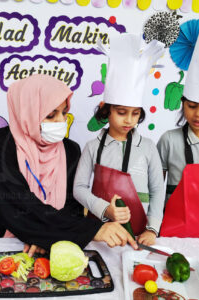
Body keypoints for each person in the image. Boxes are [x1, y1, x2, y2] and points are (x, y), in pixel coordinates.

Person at [0, 74, 137, 256]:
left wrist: (51, 239)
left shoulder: (70, 150)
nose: (61, 121)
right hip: (0, 244)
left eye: (64, 112)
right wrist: (90, 230)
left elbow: (72, 207)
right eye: (51, 115)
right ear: (28, 112)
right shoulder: (0, 143)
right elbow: (12, 202)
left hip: (51, 247)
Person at [73, 33, 165, 246]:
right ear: (107, 110)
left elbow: (157, 189)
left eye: (135, 113)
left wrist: (152, 229)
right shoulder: (92, 147)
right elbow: (78, 188)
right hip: (99, 233)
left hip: (140, 236)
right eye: (122, 112)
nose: (129, 120)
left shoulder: (149, 147)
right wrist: (105, 209)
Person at [158, 27, 199, 237]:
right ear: (182, 104)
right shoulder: (169, 140)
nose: (198, 114)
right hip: (174, 228)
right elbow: (156, 188)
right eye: (192, 106)